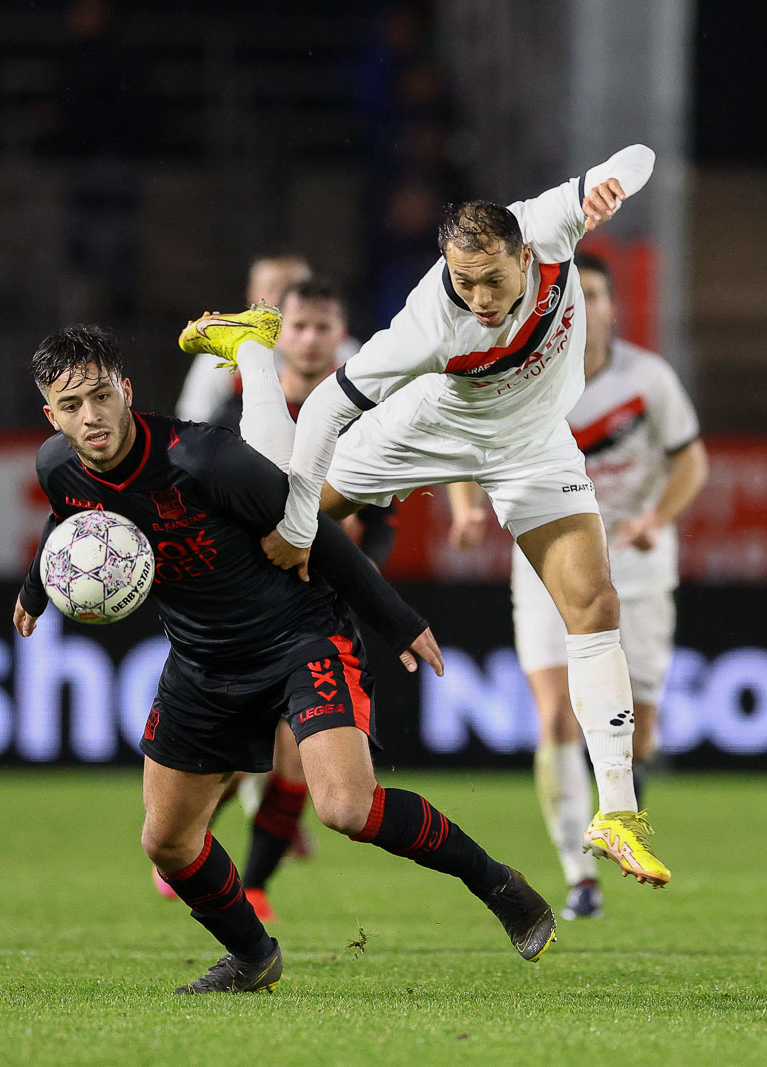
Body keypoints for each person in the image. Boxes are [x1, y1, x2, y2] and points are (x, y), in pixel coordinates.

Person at [13, 324, 555, 994]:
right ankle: (252, 956)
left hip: (299, 635)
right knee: (167, 841)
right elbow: (68, 516)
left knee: (346, 807)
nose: (91, 415)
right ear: (52, 415)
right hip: (202, 661)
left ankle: (499, 883)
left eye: (101, 395)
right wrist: (36, 588)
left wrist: (397, 621)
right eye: (72, 406)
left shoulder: (202, 458)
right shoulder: (55, 468)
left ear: (125, 390)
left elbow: (317, 531)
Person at [204, 144, 674, 887]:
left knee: (595, 600)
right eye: (465, 281)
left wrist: (612, 186)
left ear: (527, 254)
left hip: (533, 446)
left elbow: (642, 154)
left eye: (493, 280)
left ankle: (615, 812)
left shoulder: (551, 226)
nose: (480, 297)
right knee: (275, 514)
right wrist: (299, 525)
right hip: (429, 428)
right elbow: (327, 403)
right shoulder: (431, 324)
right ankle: (254, 350)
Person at [447, 251, 707, 918]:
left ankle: (615, 807)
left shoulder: (649, 380)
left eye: (596, 294)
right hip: (547, 556)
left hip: (637, 566)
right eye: (573, 294)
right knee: (557, 716)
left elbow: (692, 460)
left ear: (615, 306)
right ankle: (578, 873)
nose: (584, 305)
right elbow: (461, 427)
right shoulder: (524, 368)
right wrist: (466, 507)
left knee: (637, 735)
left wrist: (657, 517)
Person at [206, 277, 399, 921]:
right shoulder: (241, 406)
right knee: (234, 749)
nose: (313, 340)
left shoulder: (365, 412)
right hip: (241, 604)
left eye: (325, 328)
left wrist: (354, 575)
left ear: (341, 334)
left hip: (317, 609)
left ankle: (254, 886)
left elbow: (383, 522)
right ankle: (187, 846)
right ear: (280, 333)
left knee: (295, 751)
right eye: (300, 327)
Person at [174, 252, 312, 422]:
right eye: (272, 289)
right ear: (252, 294)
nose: (282, 299)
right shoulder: (219, 350)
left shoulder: (342, 351)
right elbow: (193, 421)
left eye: (292, 288)